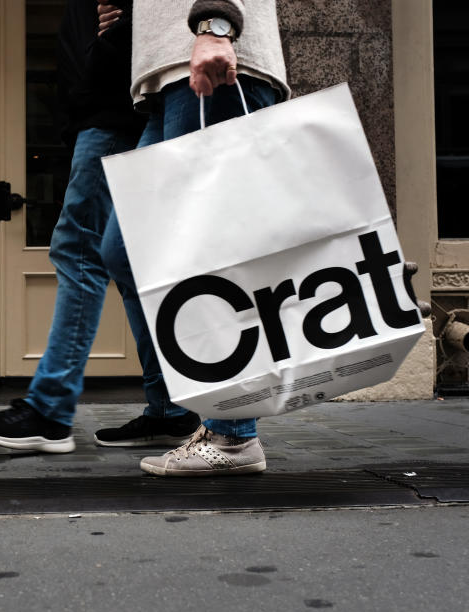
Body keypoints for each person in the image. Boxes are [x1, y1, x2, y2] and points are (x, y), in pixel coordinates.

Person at [0, 0, 202, 454]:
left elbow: (158, 22)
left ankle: (50, 410)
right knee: (126, 261)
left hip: (114, 113)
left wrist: (121, 31)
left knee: (78, 250)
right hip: (107, 112)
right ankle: (171, 408)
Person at [104, 0, 290, 475]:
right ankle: (182, 405)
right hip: (172, 79)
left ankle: (232, 433)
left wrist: (215, 26)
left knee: (209, 257)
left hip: (213, 65)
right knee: (124, 250)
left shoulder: (212, 33)